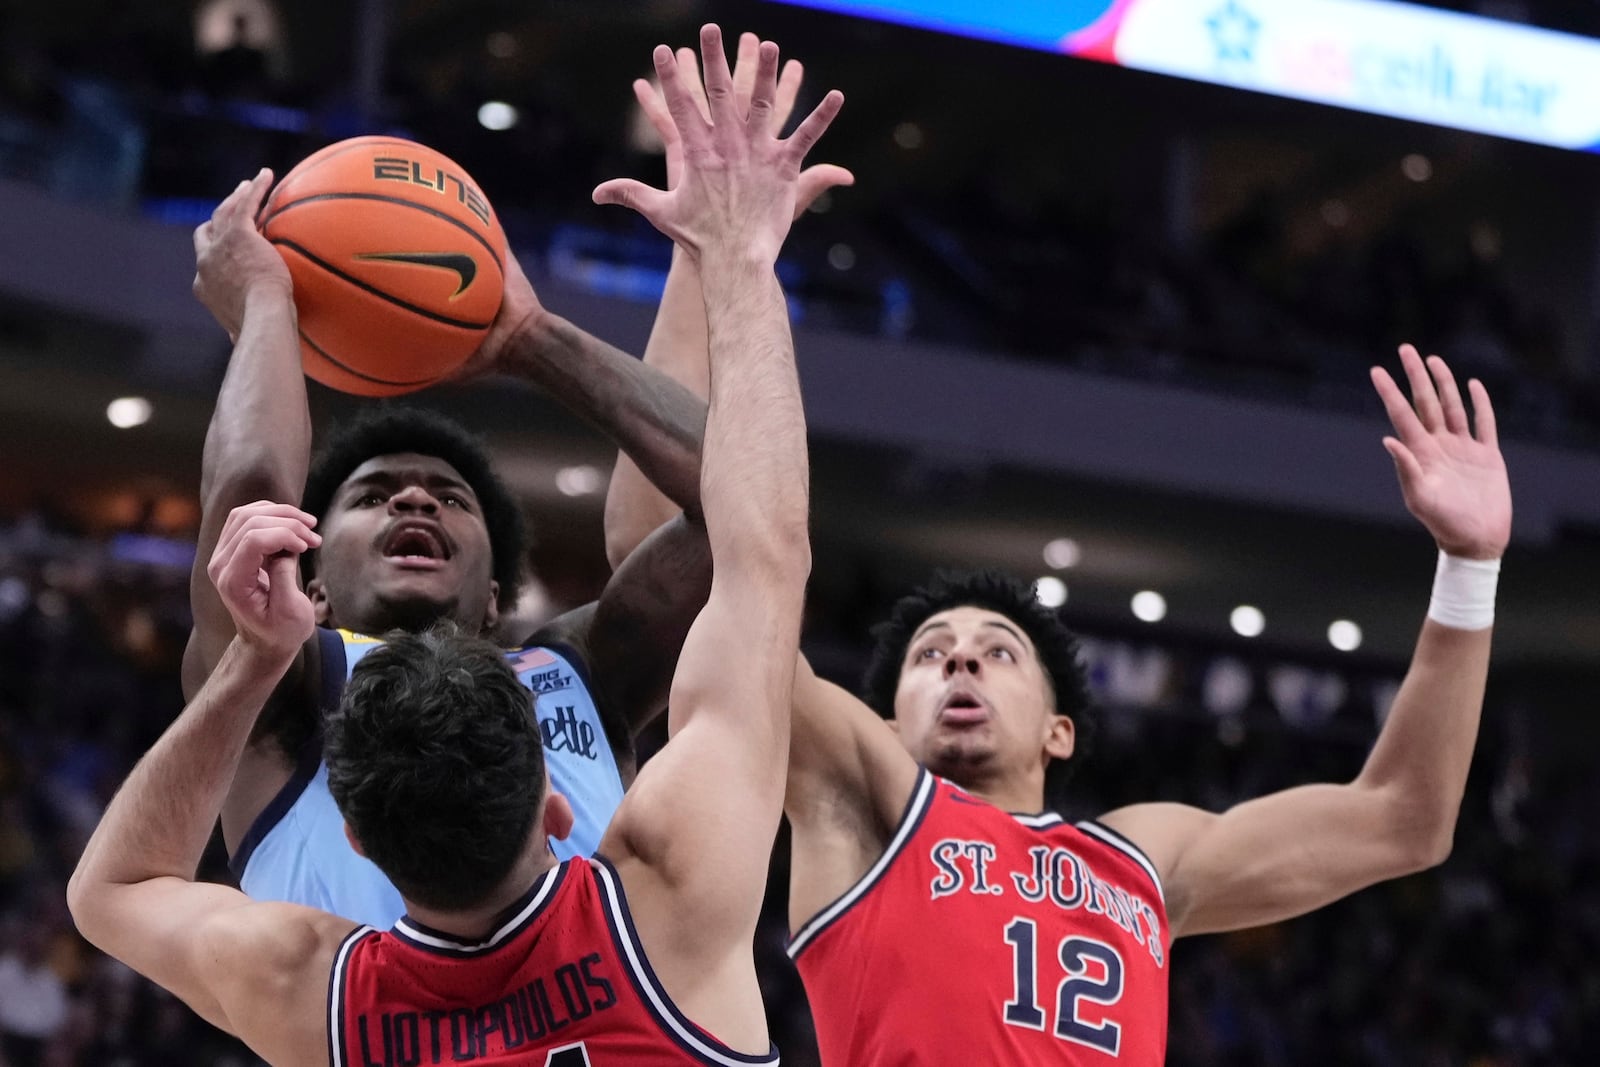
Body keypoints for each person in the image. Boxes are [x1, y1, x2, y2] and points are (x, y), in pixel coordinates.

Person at [67, 27, 836, 1065]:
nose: (414, 499)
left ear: (496, 598)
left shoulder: (322, 974)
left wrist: (265, 315)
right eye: (374, 493)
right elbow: (752, 522)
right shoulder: (660, 904)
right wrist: (535, 335)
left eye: (448, 497)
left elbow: (113, 889)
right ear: (312, 569)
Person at [606, 338, 1510, 1062]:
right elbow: (668, 580)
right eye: (932, 655)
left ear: (1059, 730)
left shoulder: (1145, 856)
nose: (962, 663)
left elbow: (1403, 819)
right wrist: (712, 268)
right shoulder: (864, 793)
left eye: (997, 652)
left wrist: (1470, 568)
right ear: (886, 720)